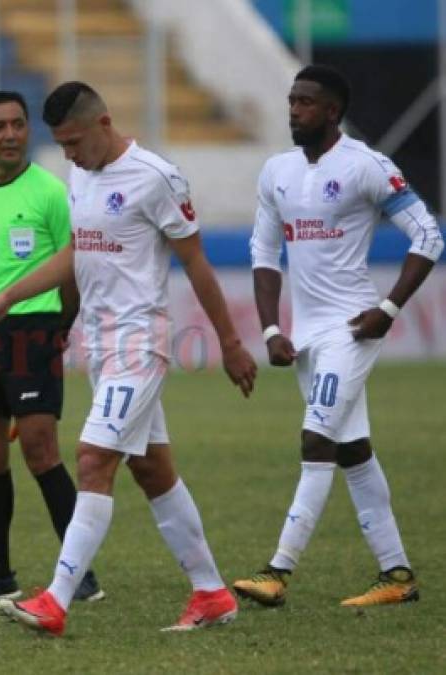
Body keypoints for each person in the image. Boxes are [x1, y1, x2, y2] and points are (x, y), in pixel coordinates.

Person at [0, 81, 257, 636]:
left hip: (138, 345)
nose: (70, 155)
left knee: (91, 458)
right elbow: (79, 253)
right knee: (153, 471)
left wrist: (228, 341)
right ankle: (212, 593)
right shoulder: (82, 173)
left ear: (104, 123)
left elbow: (196, 263)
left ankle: (55, 601)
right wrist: (11, 296)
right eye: (63, 145)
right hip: (99, 347)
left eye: (75, 142)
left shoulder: (156, 177)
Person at [234, 65, 443, 608]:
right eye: (292, 100)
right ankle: (397, 577)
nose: (294, 110)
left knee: (315, 440)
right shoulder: (276, 170)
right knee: (351, 450)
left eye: (306, 102)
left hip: (353, 328)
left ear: (331, 111)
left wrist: (389, 308)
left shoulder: (366, 166)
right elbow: (262, 251)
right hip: (306, 334)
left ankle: (277, 572)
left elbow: (428, 234)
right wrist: (273, 327)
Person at [0, 90, 102, 602]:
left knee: (41, 452)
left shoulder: (51, 193)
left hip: (34, 331)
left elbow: (74, 267)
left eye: (18, 124)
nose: (11, 134)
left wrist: (59, 330)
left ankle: (80, 573)